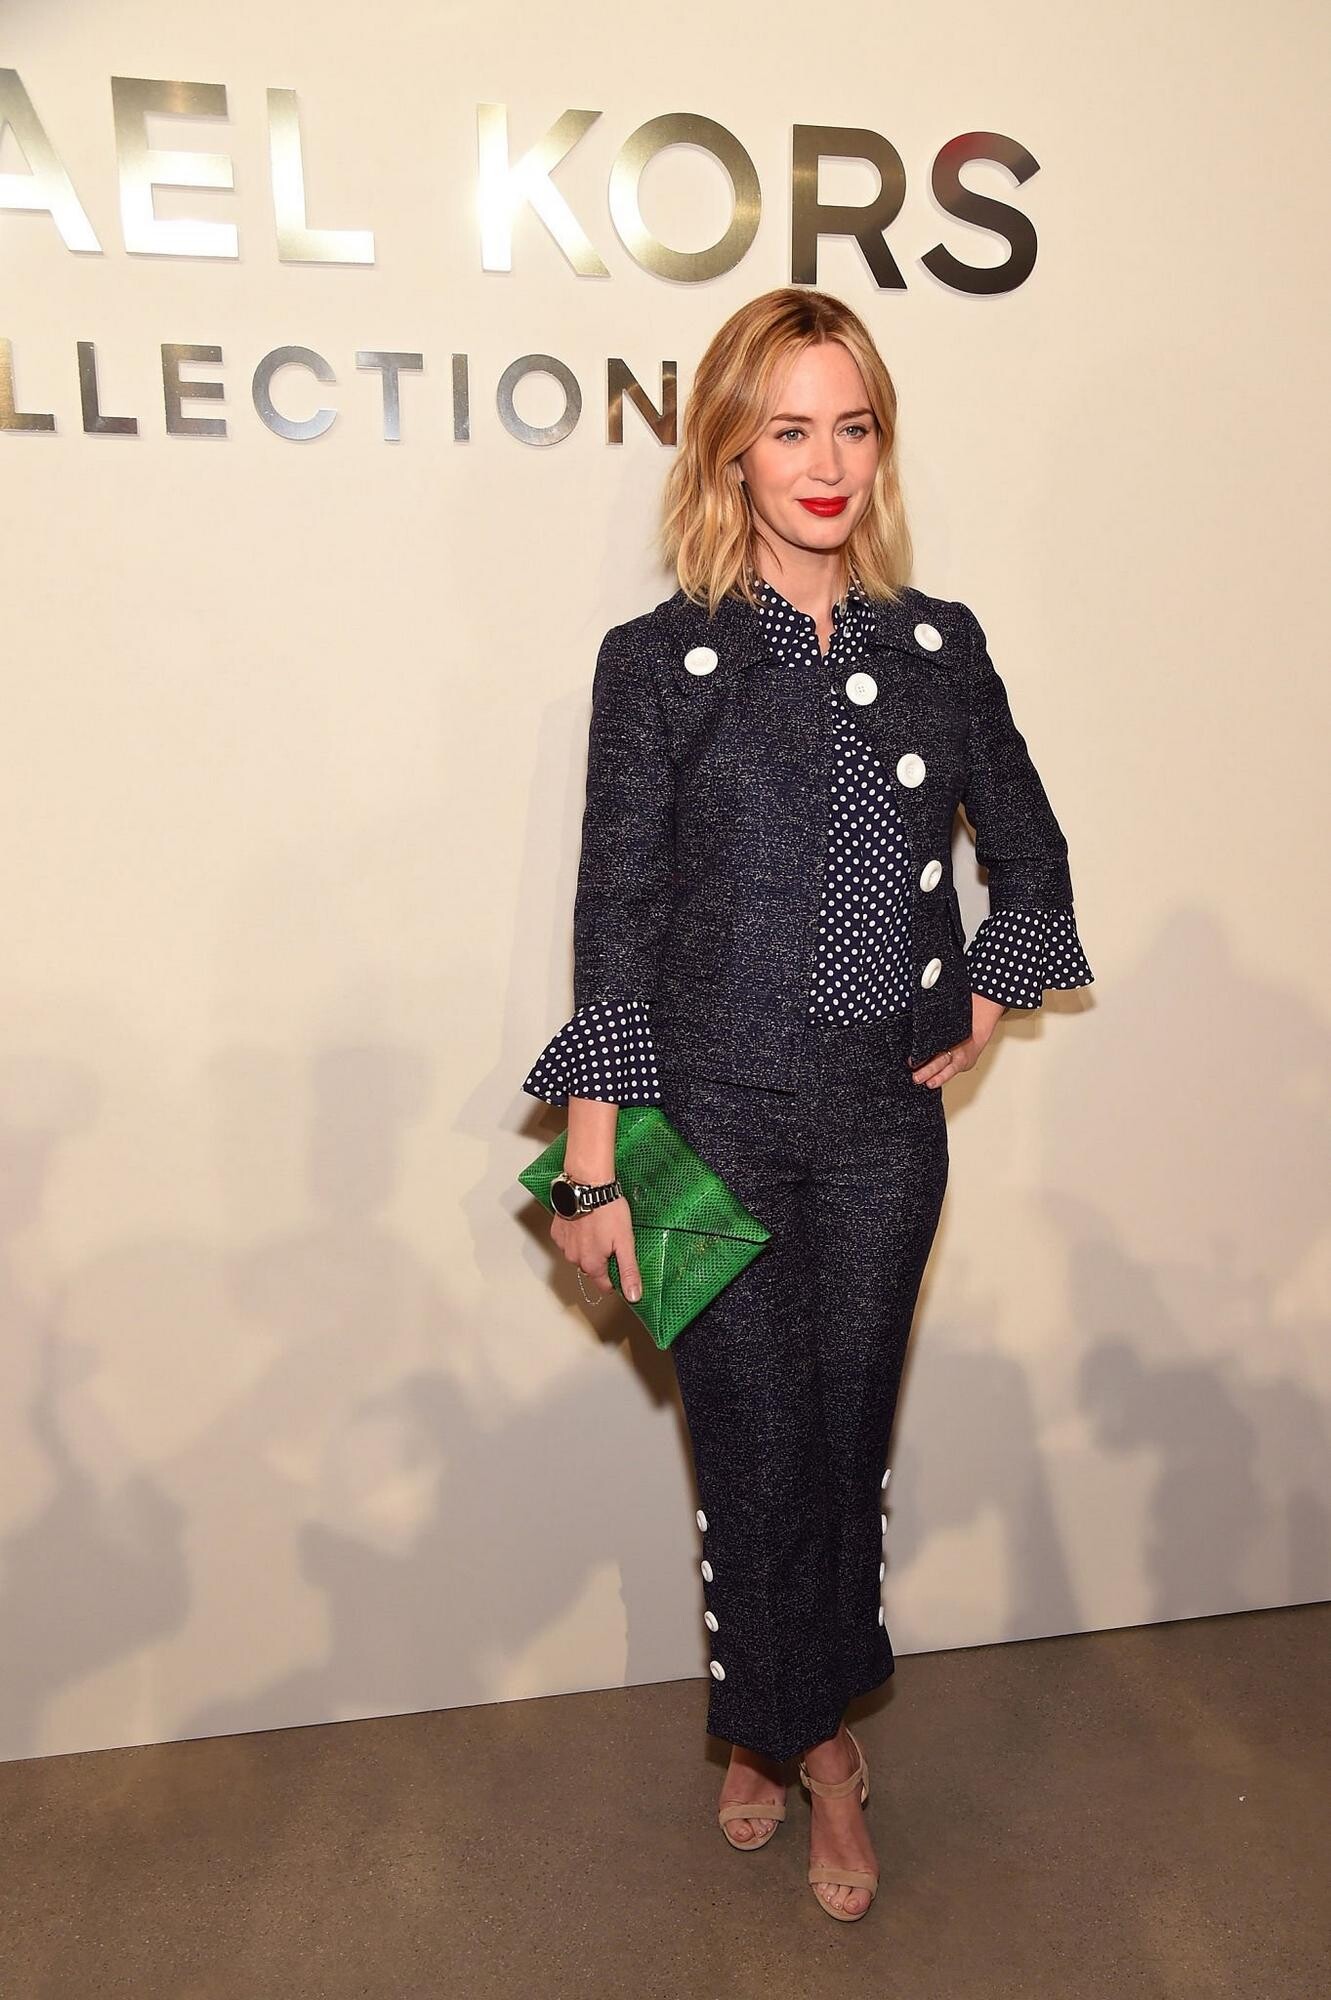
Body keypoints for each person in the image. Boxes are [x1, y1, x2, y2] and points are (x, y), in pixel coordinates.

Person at [521, 287, 1094, 1921]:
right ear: (731, 449)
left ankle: (785, 1728)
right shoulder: (658, 665)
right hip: (703, 1135)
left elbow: (1033, 857)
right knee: (751, 1454)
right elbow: (616, 920)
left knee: (841, 1449)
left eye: (853, 427)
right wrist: (590, 1169)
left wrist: (984, 993)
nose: (826, 463)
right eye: (789, 429)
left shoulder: (938, 647)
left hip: (880, 1143)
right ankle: (810, 1742)